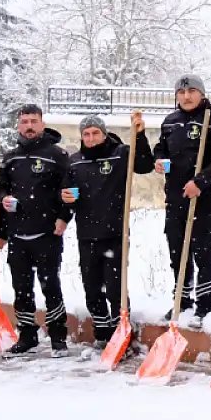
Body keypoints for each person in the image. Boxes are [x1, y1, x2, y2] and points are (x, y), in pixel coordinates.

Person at [63, 112, 153, 343]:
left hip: (116, 232)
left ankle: (122, 333)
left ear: (104, 134)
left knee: (115, 287)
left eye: (95, 133)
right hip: (86, 233)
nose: (91, 138)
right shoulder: (75, 161)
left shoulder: (120, 153)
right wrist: (65, 199)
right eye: (86, 134)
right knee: (92, 287)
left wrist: (140, 136)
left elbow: (144, 165)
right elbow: (66, 191)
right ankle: (102, 335)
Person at [152, 75, 211, 324]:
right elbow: (161, 148)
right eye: (181, 92)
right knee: (178, 250)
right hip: (176, 196)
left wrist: (200, 181)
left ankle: (205, 303)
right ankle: (182, 299)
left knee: (203, 250)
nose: (186, 96)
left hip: (206, 197)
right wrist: (159, 160)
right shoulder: (171, 121)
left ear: (201, 93)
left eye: (191, 91)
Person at [0, 104, 73, 357]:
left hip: (47, 233)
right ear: (18, 126)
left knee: (51, 286)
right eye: (24, 121)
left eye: (33, 121)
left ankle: (58, 337)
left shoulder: (57, 155)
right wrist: (4, 198)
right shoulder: (9, 158)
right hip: (18, 235)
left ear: (42, 124)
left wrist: (63, 219)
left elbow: (69, 192)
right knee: (22, 288)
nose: (29, 126)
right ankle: (27, 335)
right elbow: (0, 189)